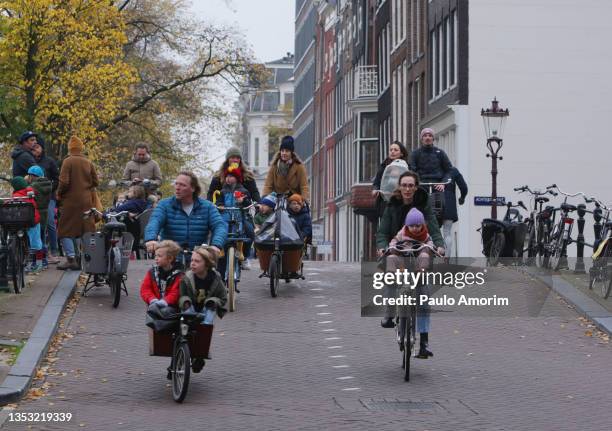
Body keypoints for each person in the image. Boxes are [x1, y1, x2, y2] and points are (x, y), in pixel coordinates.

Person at [376, 171, 445, 358]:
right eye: (404, 185)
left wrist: (439, 246)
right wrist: (382, 248)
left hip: (419, 253)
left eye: (411, 185)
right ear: (400, 186)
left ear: (416, 187)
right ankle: (389, 315)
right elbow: (382, 233)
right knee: (390, 277)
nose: (407, 189)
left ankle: (423, 342)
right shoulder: (392, 205)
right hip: (398, 251)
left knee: (423, 293)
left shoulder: (423, 204)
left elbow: (433, 228)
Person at [144, 172, 227, 260]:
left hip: (198, 258)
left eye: (182, 185)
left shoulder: (208, 207)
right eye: (176, 184)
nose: (177, 188)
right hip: (169, 258)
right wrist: (151, 239)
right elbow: (154, 221)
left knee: (211, 272)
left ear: (193, 188)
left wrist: (216, 245)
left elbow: (219, 226)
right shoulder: (164, 205)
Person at [56, 136, 99, 271]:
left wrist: (59, 193)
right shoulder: (88, 162)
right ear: (81, 148)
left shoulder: (68, 161)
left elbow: (64, 182)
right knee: (84, 230)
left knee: (64, 231)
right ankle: (87, 259)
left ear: (70, 148)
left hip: (70, 201)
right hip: (86, 201)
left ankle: (71, 259)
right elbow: (96, 182)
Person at [31, 138, 60, 263]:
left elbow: (57, 178)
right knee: (36, 223)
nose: (35, 150)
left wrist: (49, 190)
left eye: (37, 147)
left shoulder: (49, 161)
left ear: (42, 148)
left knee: (49, 222)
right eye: (33, 148)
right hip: (34, 197)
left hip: (49, 197)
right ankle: (39, 252)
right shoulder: (29, 160)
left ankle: (54, 250)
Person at [262, 136, 310, 202]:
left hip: (294, 200)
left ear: (291, 153)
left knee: (304, 211)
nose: (284, 153)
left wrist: (304, 200)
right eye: (282, 151)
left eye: (287, 151)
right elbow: (268, 185)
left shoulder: (299, 167)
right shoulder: (274, 166)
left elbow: (304, 186)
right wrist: (264, 198)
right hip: (277, 200)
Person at [11, 177, 43, 272]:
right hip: (33, 220)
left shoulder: (15, 195)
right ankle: (39, 263)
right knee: (36, 242)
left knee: (26, 241)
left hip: (21, 220)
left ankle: (27, 263)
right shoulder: (30, 191)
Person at [139, 240, 183, 308]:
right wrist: (152, 299)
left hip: (172, 308)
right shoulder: (152, 272)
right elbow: (145, 288)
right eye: (155, 255)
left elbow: (176, 292)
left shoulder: (179, 274)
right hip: (154, 304)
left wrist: (165, 301)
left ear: (170, 258)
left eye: (159, 256)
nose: (156, 258)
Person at [372, 141, 410, 217]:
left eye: (395, 150)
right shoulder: (383, 166)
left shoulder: (407, 166)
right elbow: (377, 181)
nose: (392, 152)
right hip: (386, 200)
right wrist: (375, 189)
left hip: (401, 199)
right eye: (391, 150)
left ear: (401, 153)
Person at [26, 165, 52, 269]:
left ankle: (35, 263)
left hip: (35, 214)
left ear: (32, 176)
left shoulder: (33, 186)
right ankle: (44, 260)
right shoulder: (48, 184)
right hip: (45, 213)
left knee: (35, 239)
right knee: (42, 237)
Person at [442, 167, 468, 259]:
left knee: (432, 231)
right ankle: (446, 258)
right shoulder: (453, 170)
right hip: (449, 203)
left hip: (433, 202)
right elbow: (464, 187)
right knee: (447, 232)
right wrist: (462, 198)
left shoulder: (430, 169)